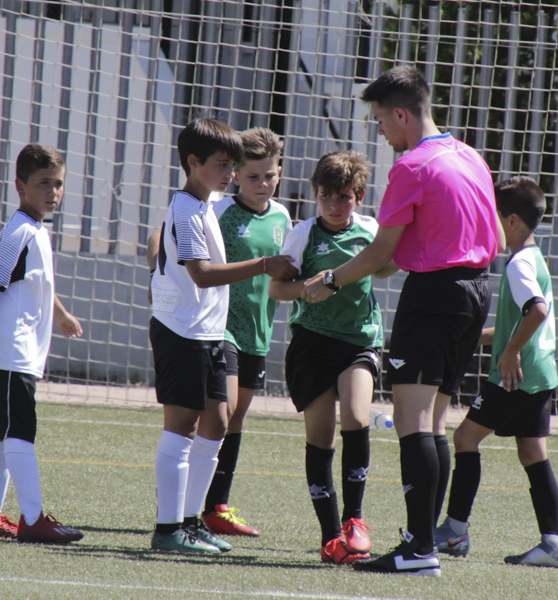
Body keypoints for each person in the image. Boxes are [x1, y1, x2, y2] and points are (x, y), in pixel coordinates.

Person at [301, 66, 505, 577]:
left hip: (433, 296)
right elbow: (498, 240)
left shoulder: (412, 166)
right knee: (435, 421)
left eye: (380, 121)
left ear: (400, 113)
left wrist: (329, 280)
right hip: (477, 291)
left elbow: (379, 254)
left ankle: (417, 550)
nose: (381, 133)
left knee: (412, 423)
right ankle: (425, 541)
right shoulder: (471, 156)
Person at [149, 117, 296, 555]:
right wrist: (265, 265)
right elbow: (202, 273)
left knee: (218, 420)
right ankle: (168, 529)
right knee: (181, 429)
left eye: (235, 165)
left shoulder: (203, 202)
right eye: (223, 165)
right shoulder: (187, 208)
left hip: (209, 333)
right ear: (193, 163)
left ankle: (193, 521)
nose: (231, 174)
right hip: (184, 332)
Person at [434, 177, 558, 568]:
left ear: (511, 221)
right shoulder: (535, 258)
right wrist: (474, 337)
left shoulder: (517, 264)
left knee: (464, 437)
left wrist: (509, 353)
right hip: (541, 374)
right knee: (531, 452)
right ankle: (554, 543)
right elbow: (528, 318)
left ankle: (456, 530)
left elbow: (537, 310)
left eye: (491, 217)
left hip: (517, 376)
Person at [269, 150, 399, 565]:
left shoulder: (369, 231)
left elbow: (384, 267)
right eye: (326, 195)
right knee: (320, 437)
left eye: (343, 197)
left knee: (357, 418)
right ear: (315, 194)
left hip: (358, 341)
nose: (334, 205)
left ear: (358, 197)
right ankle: (331, 538)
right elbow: (277, 289)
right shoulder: (303, 233)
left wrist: (395, 253)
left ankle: (354, 521)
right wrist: (308, 287)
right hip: (311, 344)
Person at [0, 143, 85, 544]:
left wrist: (61, 313)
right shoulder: (18, 232)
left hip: (16, 354)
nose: (53, 192)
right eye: (43, 183)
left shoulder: (34, 229)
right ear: (20, 185)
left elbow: (34, 283)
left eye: (58, 184)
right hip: (7, 353)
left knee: (1, 433)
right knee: (19, 432)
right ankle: (33, 519)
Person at [200, 128, 294, 537]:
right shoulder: (218, 211)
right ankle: (200, 504)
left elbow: (286, 270)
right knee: (221, 413)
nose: (262, 184)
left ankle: (215, 504)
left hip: (259, 332)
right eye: (253, 177)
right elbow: (169, 242)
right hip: (221, 328)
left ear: (279, 173)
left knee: (234, 420)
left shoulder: (282, 216)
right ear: (236, 175)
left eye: (269, 176)